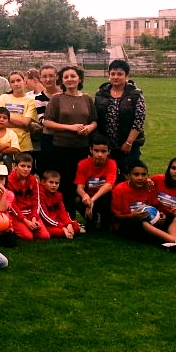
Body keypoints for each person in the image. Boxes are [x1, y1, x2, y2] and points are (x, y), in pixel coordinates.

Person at [42, 65, 97, 214]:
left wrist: (90, 127)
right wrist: (70, 127)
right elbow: (47, 122)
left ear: (80, 79)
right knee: (64, 182)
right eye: (66, 77)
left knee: (79, 182)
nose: (69, 79)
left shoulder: (87, 99)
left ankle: (78, 212)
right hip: (61, 147)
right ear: (62, 81)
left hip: (81, 147)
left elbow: (94, 120)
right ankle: (65, 214)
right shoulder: (57, 99)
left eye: (73, 76)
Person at [110, 162, 176, 254]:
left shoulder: (149, 188)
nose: (140, 178)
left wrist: (160, 215)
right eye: (136, 174)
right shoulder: (120, 189)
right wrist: (132, 216)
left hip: (150, 224)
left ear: (148, 176)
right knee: (141, 221)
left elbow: (154, 207)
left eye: (144, 174)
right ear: (128, 175)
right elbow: (115, 217)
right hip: (126, 225)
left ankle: (171, 243)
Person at [94, 59, 146, 179]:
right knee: (106, 178)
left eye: (120, 74)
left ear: (126, 76)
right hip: (106, 147)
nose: (116, 77)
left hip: (128, 146)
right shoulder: (100, 93)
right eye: (113, 74)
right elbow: (96, 117)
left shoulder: (135, 94)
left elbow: (139, 120)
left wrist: (128, 143)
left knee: (129, 176)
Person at [74, 134, 118, 233]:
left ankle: (106, 221)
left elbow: (109, 186)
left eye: (103, 151)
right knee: (77, 200)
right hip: (90, 197)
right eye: (96, 150)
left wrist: (92, 200)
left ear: (109, 151)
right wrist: (85, 196)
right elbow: (79, 187)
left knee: (108, 196)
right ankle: (91, 219)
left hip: (103, 197)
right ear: (91, 150)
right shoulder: (83, 164)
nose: (100, 154)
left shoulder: (112, 163)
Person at [0, 70, 38, 155]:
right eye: (12, 82)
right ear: (10, 85)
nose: (16, 84)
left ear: (24, 82)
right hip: (4, 145)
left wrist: (5, 117)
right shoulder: (3, 98)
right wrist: (21, 124)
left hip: (23, 146)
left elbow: (25, 122)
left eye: (18, 80)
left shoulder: (31, 101)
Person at [31, 65, 61, 175]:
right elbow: (43, 121)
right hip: (49, 138)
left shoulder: (65, 93)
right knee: (49, 171)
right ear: (40, 79)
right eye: (44, 76)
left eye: (51, 76)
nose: (48, 79)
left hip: (67, 138)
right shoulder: (39, 98)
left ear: (56, 77)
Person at [38, 170, 81, 239]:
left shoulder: (58, 195)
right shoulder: (40, 195)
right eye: (51, 182)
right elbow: (44, 217)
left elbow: (63, 212)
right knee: (59, 232)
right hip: (47, 223)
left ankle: (70, 229)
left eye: (56, 183)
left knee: (75, 228)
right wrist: (63, 227)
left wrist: (68, 224)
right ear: (43, 182)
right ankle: (65, 231)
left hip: (58, 222)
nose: (54, 185)